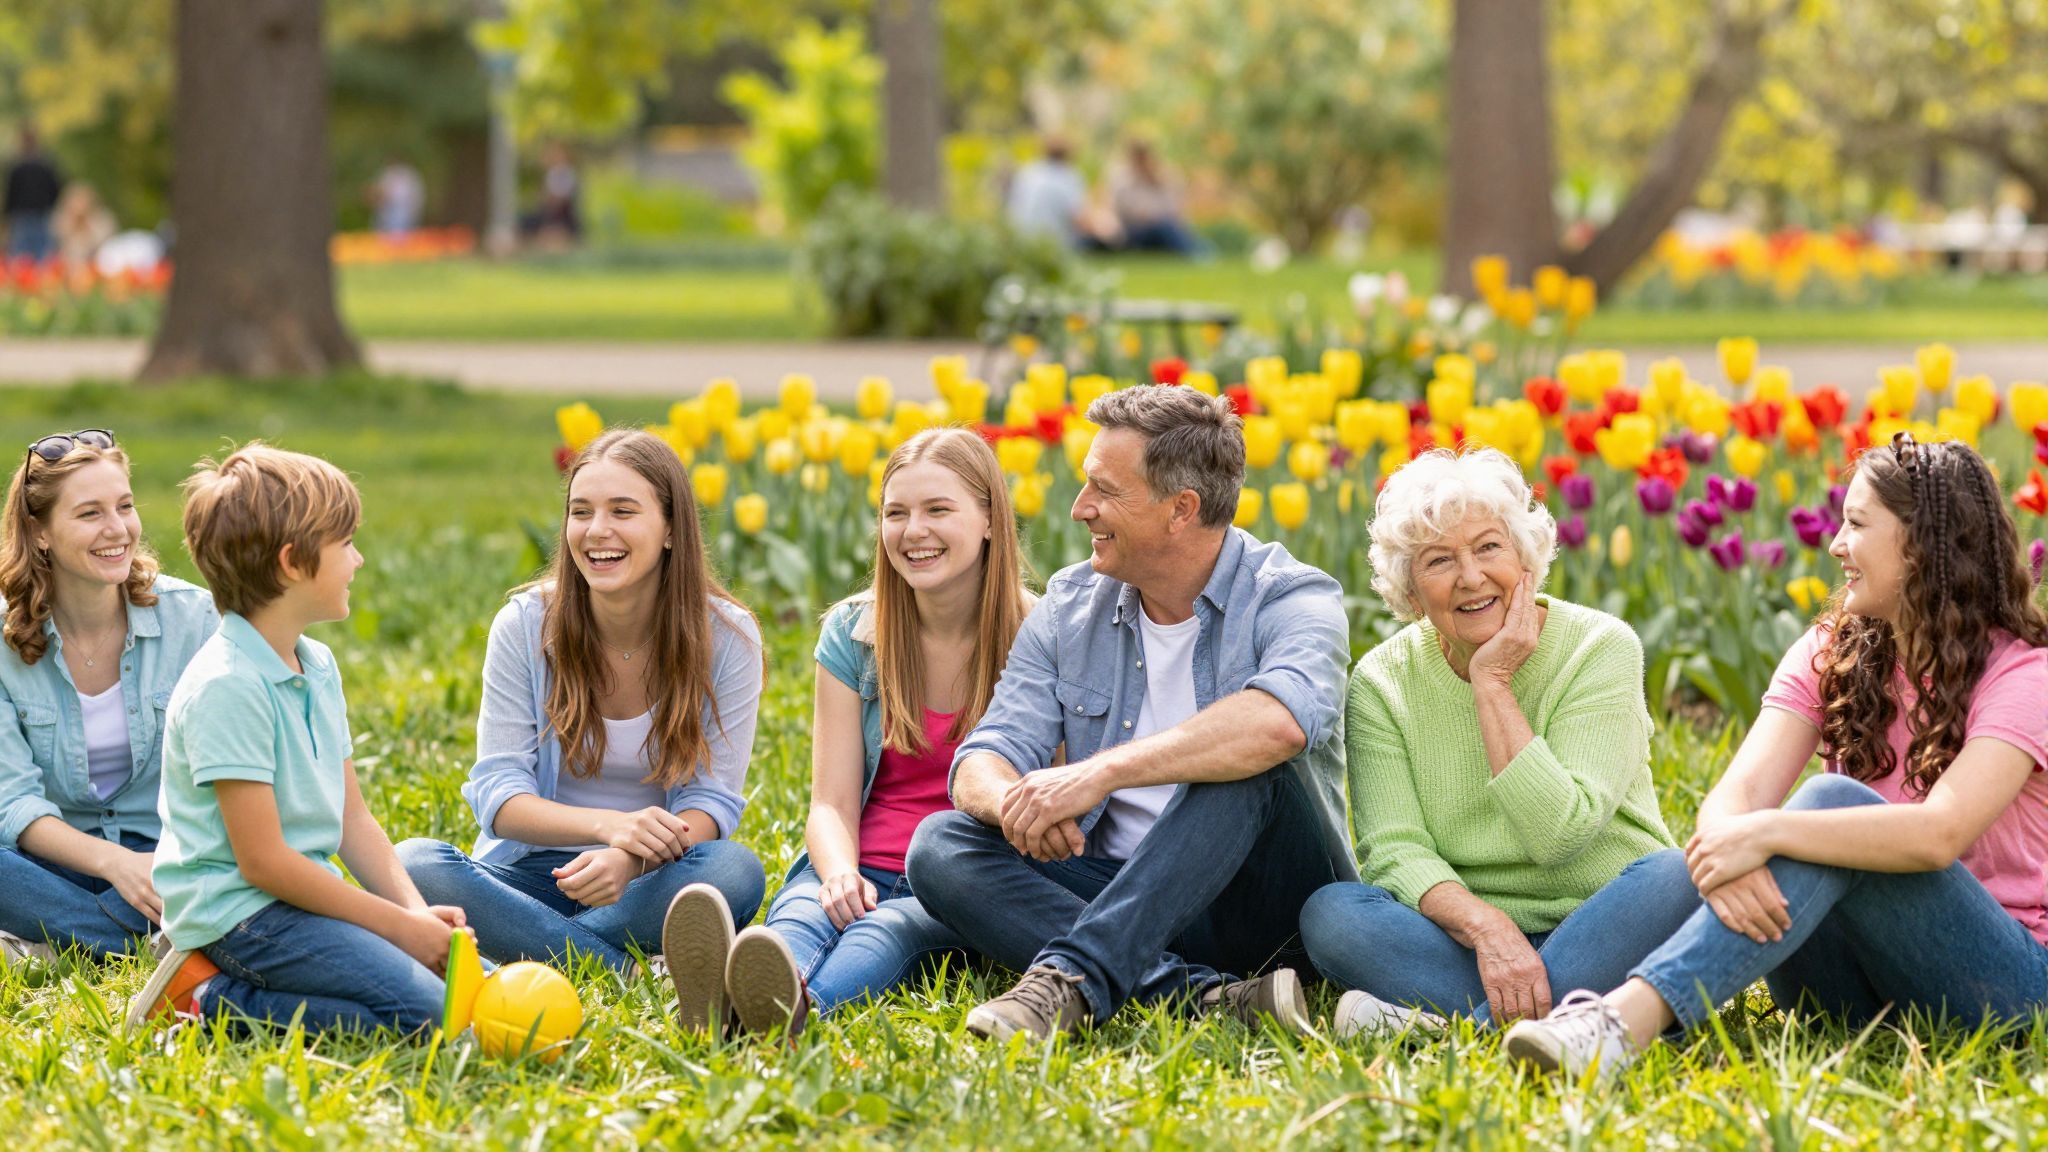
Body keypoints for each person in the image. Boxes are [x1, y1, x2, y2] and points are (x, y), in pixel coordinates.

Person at [1504, 435, 2048, 1080]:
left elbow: (1939, 834)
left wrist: (1767, 834)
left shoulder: (2024, 675)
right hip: (1847, 999)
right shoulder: (1832, 650)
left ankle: (1624, 1022)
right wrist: (1738, 844)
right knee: (1801, 825)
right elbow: (1733, 801)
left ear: (1923, 543)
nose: (1836, 545)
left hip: (1999, 991)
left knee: (1829, 805)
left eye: (1857, 525)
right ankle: (1606, 1022)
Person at [905, 384, 1356, 1042]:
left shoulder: (1292, 597)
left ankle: (1071, 979)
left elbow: (1278, 723)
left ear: (1181, 510)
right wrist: (1015, 806)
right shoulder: (1070, 605)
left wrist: (1099, 773)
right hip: (1119, 891)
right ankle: (1201, 997)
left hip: (1263, 905)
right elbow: (988, 751)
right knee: (941, 846)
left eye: (1105, 490)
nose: (1080, 507)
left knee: (1248, 764)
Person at [1297, 448, 1685, 1037]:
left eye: (1488, 548)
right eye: (1439, 560)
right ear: (1411, 591)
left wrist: (1493, 682)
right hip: (1465, 939)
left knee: (1679, 878)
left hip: (1607, 913)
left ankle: (1454, 1027)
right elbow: (1395, 851)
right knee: (1333, 915)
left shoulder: (1600, 647)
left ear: (1525, 559)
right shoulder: (1382, 681)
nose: (1471, 577)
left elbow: (1560, 833)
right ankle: (1572, 1018)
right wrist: (1488, 929)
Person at [399, 429, 766, 1034]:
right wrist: (608, 828)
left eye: (623, 511)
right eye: (581, 512)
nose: (597, 531)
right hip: (529, 878)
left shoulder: (726, 637)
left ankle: (522, 956)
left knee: (733, 871)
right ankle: (628, 972)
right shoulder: (525, 625)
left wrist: (629, 858)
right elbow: (499, 797)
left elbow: (711, 801)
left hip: (648, 879)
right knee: (413, 864)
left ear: (671, 529)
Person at [128, 445, 469, 1035]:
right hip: (238, 915)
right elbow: (263, 864)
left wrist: (417, 918)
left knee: (467, 984)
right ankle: (202, 999)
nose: (359, 559)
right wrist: (395, 928)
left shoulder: (317, 665)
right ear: (291, 563)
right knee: (435, 1017)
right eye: (347, 543)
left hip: (301, 900)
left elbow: (352, 818)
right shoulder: (227, 686)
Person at [723, 429, 1029, 1036]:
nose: (913, 531)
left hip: (952, 880)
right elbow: (830, 804)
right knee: (799, 919)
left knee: (882, 934)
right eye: (896, 513)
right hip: (856, 861)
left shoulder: (1038, 637)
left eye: (937, 510)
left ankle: (773, 1017)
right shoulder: (854, 633)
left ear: (990, 520)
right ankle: (742, 998)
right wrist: (840, 872)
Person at [0, 430, 218, 964]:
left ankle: (57, 940)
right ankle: (142, 943)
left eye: (124, 506)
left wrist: (153, 864)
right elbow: (12, 802)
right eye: (90, 513)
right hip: (57, 863)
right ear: (40, 533)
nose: (118, 529)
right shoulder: (4, 640)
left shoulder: (196, 620)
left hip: (172, 862)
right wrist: (112, 863)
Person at [1109, 140, 1200, 257]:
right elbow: (1125, 209)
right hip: (1134, 230)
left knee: (1172, 228)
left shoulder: (1161, 177)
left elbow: (1175, 207)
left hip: (1164, 226)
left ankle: (1199, 252)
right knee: (1167, 228)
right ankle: (1195, 254)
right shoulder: (1122, 178)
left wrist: (1158, 181)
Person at [1005, 136, 1092, 251]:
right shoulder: (1069, 177)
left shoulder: (1027, 172)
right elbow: (1080, 219)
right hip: (1056, 244)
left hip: (1022, 241)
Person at [3, 127, 63, 262]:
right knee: (43, 253)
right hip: (42, 213)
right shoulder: (47, 165)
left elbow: (10, 194)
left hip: (21, 215)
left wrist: (7, 215)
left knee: (21, 255)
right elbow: (56, 189)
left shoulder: (16, 167)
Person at [53, 184, 116, 275]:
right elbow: (59, 239)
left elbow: (104, 242)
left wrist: (87, 226)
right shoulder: (62, 219)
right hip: (69, 264)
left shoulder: (102, 219)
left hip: (97, 262)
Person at [371, 158, 425, 238]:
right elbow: (380, 192)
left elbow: (411, 197)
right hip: (385, 213)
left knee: (400, 236)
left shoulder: (408, 176)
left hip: (403, 212)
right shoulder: (386, 174)